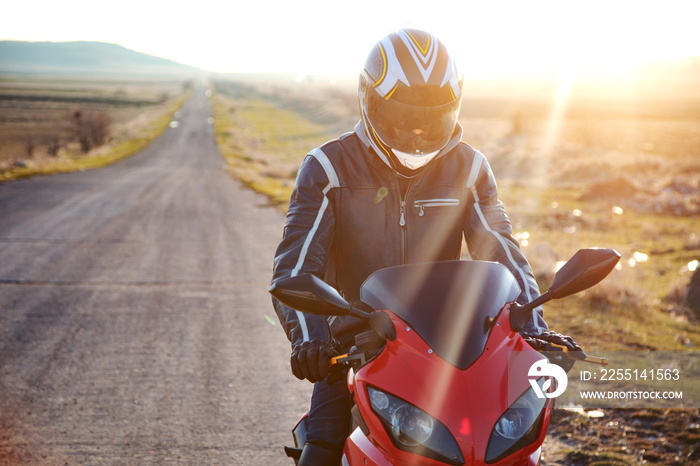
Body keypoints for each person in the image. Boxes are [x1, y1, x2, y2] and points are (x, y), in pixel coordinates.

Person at [271, 28, 576, 465]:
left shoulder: (469, 167)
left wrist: (534, 325)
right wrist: (310, 342)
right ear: (369, 99)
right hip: (358, 350)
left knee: (517, 445)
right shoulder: (328, 167)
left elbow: (502, 250)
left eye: (432, 118)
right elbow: (297, 269)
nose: (415, 133)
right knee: (321, 449)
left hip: (454, 346)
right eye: (400, 116)